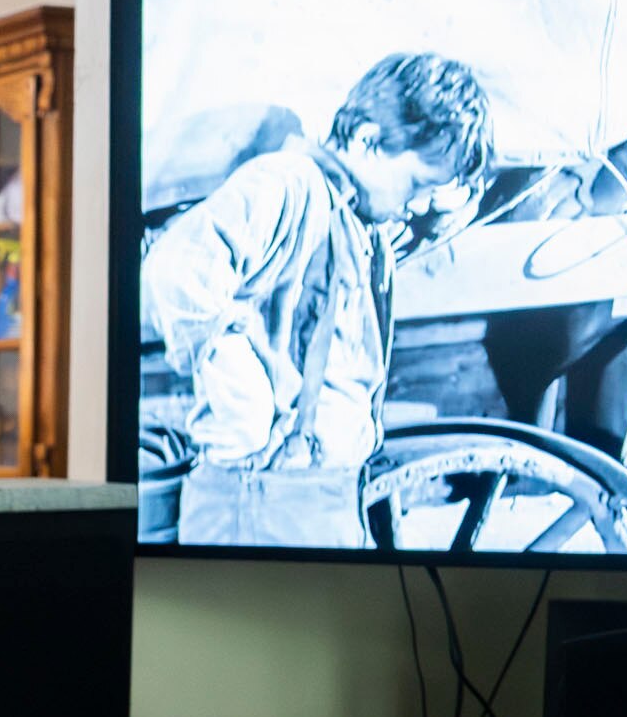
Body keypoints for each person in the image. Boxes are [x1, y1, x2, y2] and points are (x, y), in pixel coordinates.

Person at [142, 51, 493, 548]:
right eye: (417, 183)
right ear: (369, 139)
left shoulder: (357, 222)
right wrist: (243, 404)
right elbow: (178, 269)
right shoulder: (287, 184)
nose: (418, 204)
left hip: (316, 495)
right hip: (261, 498)